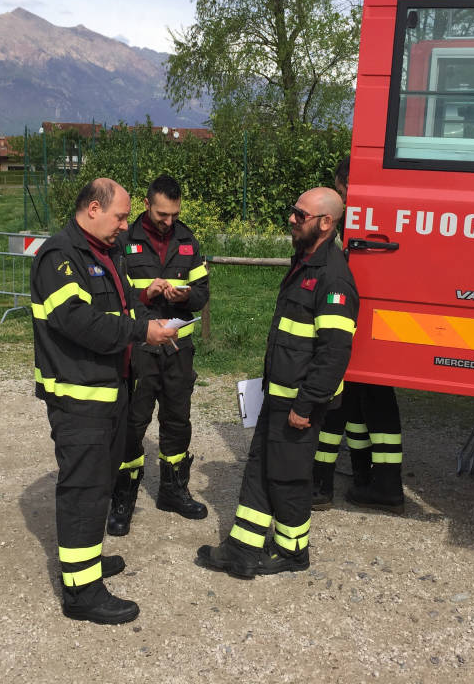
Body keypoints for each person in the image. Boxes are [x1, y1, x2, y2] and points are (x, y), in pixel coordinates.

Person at [30, 177, 177, 624]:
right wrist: (141, 331)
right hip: (80, 398)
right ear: (93, 209)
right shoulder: (59, 256)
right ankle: (81, 594)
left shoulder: (103, 253)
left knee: (99, 485)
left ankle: (85, 565)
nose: (125, 225)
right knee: (84, 490)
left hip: (109, 392)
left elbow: (117, 305)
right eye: (119, 216)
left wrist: (144, 300)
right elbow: (80, 322)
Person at [196, 187, 357, 578]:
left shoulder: (333, 276)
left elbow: (334, 352)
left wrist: (306, 405)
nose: (291, 219)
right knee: (261, 467)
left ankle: (292, 551)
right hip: (280, 396)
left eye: (300, 215)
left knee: (287, 475)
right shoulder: (306, 262)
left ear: (325, 223)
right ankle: (242, 549)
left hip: (299, 402)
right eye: (293, 212)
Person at [107, 174, 210, 536]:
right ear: (147, 205)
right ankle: (123, 498)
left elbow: (202, 292)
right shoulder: (123, 241)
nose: (169, 222)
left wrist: (187, 297)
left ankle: (173, 490)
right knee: (133, 424)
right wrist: (147, 296)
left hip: (179, 348)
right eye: (163, 214)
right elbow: (113, 297)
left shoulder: (187, 240)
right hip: (139, 348)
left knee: (178, 419)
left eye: (174, 214)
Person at [312, 156, 405, 513]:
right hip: (376, 317)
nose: (342, 198)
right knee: (371, 397)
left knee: (338, 391)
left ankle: (322, 482)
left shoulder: (353, 223)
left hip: (350, 318)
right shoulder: (388, 215)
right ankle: (375, 478)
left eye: (342, 190)